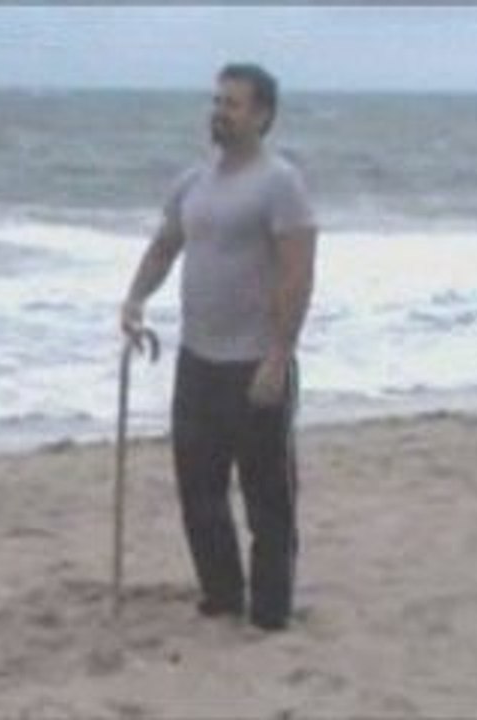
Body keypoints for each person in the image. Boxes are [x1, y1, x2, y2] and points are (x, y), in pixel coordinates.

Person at [120, 63, 318, 631]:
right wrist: (135, 299)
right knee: (199, 491)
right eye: (217, 101)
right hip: (198, 361)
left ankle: (271, 611)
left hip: (255, 361)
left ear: (262, 115)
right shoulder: (193, 182)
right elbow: (165, 247)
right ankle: (223, 595)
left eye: (232, 103)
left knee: (268, 498)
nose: (219, 112)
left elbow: (297, 273)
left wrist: (279, 356)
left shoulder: (280, 183)